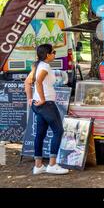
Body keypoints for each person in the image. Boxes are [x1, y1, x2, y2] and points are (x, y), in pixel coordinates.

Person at [24, 44, 69, 175]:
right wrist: (43, 99)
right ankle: (52, 164)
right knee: (58, 131)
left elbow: (27, 82)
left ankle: (38, 166)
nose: (55, 54)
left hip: (38, 105)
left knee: (40, 133)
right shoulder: (45, 66)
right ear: (48, 55)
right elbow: (38, 82)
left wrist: (30, 99)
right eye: (54, 52)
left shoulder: (36, 65)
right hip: (46, 104)